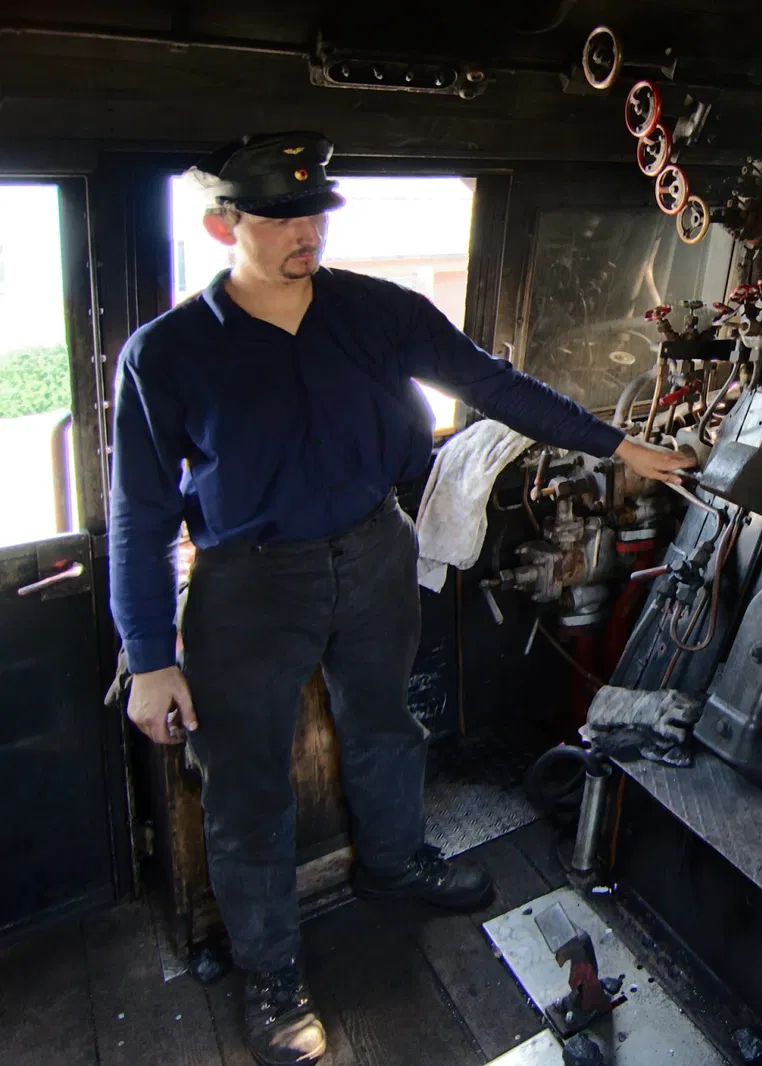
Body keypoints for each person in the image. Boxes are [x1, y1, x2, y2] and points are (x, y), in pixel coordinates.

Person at [108, 131, 693, 1066]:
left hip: (378, 546)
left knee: (385, 726)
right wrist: (148, 657)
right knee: (247, 783)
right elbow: (137, 517)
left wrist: (615, 446)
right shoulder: (166, 354)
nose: (307, 232)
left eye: (316, 214)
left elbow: (494, 385)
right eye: (281, 218)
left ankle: (393, 867)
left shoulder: (378, 312)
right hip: (247, 583)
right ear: (224, 225)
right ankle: (271, 970)